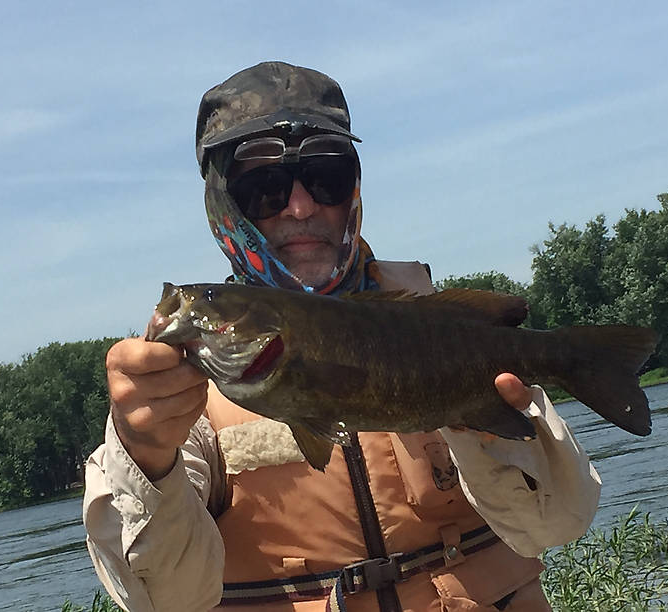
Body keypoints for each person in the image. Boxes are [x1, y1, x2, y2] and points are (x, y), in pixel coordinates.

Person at [83, 62, 601, 612]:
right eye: (265, 189)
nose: (302, 207)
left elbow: (559, 523)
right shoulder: (180, 386)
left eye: (326, 178)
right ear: (222, 201)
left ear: (353, 186)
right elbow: (165, 601)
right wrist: (145, 455)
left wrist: (485, 426)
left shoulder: (436, 325)